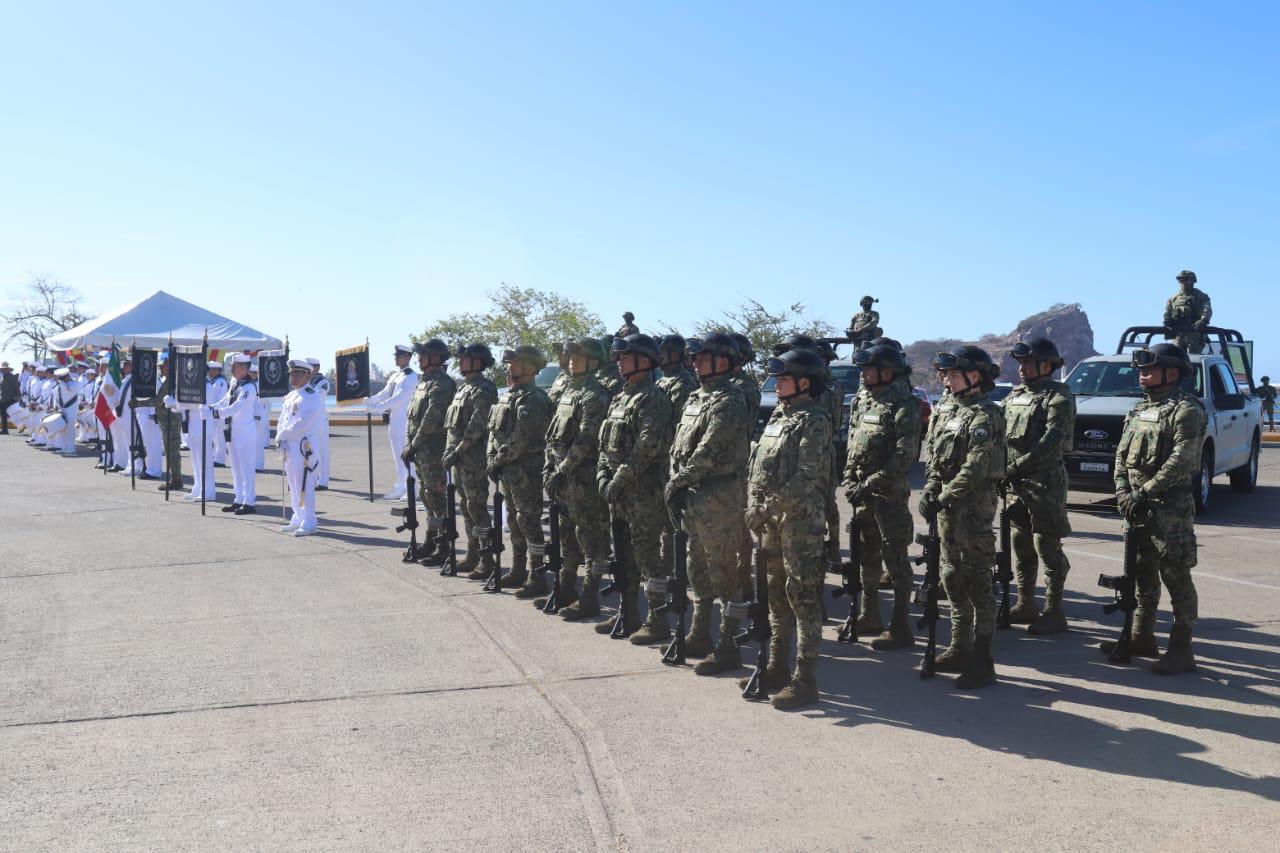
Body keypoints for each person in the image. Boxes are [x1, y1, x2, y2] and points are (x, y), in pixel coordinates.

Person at [745, 348, 834, 708]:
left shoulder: (815, 420)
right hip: (772, 524)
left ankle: (805, 678)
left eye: (783, 379)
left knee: (803, 599)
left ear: (804, 382)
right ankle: (776, 666)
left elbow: (807, 477)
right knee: (775, 598)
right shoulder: (779, 417)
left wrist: (765, 509)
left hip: (799, 524)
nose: (777, 385)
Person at [1112, 343, 1206, 674]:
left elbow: (1184, 459)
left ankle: (1182, 648)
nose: (1142, 374)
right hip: (1138, 508)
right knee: (1141, 573)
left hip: (1170, 508)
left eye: (1149, 369)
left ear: (1173, 372)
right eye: (1141, 369)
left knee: (1176, 575)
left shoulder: (1187, 410)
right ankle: (1141, 635)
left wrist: (1146, 491)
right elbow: (1122, 456)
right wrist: (1123, 490)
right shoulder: (1138, 411)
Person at [919, 345, 1006, 689]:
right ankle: (959, 646)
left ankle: (983, 658)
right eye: (946, 375)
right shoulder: (945, 410)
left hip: (972, 510)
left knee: (978, 582)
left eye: (954, 374)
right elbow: (935, 457)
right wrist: (930, 490)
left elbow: (976, 465)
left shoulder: (987, 415)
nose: (947, 380)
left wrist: (943, 495)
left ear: (975, 377)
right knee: (951, 578)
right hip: (946, 510)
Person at [665, 332, 752, 673]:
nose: (695, 361)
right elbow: (680, 445)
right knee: (696, 567)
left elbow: (709, 451)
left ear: (724, 361)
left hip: (717, 494)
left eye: (703, 356)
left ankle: (728, 643)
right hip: (692, 493)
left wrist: (677, 481)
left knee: (723, 570)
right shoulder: (695, 397)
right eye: (695, 356)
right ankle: (700, 633)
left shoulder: (729, 400)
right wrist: (678, 481)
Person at [844, 343, 921, 649]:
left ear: (887, 371)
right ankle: (869, 615)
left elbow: (905, 454)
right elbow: (853, 442)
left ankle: (900, 626)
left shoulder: (904, 404)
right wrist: (850, 476)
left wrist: (872, 481)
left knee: (895, 558)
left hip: (888, 495)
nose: (862, 375)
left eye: (868, 369)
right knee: (867, 555)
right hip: (862, 493)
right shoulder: (864, 400)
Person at [597, 334, 674, 640]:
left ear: (645, 361)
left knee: (647, 556)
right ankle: (627, 612)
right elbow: (605, 446)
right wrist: (603, 474)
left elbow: (647, 446)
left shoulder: (653, 398)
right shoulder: (620, 397)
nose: (619, 363)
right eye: (619, 358)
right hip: (618, 492)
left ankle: (657, 619)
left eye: (626, 358)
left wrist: (619, 478)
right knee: (624, 554)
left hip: (643, 491)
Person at [1004, 338, 1076, 634]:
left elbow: (1051, 443)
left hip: (1044, 483)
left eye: (1029, 363)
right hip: (1015, 484)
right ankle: (1025, 603)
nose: (1022, 369)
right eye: (1020, 363)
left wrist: (1014, 467)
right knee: (1021, 544)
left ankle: (1053, 609)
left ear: (1046, 365)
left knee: (1046, 545)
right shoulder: (1014, 396)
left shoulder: (1059, 397)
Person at [545, 336, 612, 619]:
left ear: (593, 362)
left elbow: (586, 439)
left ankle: (590, 596)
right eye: (571, 357)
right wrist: (551, 466)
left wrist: (562, 469)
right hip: (563, 476)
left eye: (578, 357)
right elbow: (553, 435)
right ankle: (565, 588)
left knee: (590, 538)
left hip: (581, 477)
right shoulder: (569, 392)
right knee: (567, 536)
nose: (571, 361)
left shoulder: (595, 394)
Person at [488, 345, 554, 595]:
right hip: (508, 470)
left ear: (529, 368)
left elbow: (521, 437)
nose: (509, 368)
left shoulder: (534, 399)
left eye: (514, 364)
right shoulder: (509, 396)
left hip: (526, 470)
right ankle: (517, 570)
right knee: (514, 521)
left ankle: (536, 575)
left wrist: (498, 460)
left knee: (529, 522)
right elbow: (494, 434)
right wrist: (492, 458)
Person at [442, 343, 499, 580]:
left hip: (472, 457)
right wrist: (450, 450)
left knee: (477, 507)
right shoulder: (463, 388)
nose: (461, 362)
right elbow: (452, 426)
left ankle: (487, 559)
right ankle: (473, 553)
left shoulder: (484, 389)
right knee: (466, 507)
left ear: (478, 362)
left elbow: (477, 425)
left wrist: (458, 449)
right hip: (458, 457)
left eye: (466, 359)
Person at [403, 339, 457, 565]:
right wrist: (411, 443)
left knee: (436, 497)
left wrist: (413, 444)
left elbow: (432, 418)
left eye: (424, 355)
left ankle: (443, 545)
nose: (419, 358)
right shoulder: (424, 382)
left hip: (433, 449)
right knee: (426, 495)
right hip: (421, 449)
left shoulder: (442, 384)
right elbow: (413, 417)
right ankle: (431, 539)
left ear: (435, 358)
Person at [276, 359, 325, 535]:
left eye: (297, 374)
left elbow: (302, 423)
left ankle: (309, 521)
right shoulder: (291, 396)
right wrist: (279, 435)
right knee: (293, 484)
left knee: (305, 485)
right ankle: (297, 517)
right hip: (290, 447)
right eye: (291, 374)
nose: (293, 377)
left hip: (305, 448)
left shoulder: (311, 395)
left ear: (306, 375)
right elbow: (283, 418)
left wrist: (283, 434)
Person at [364, 344, 419, 500]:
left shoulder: (411, 376)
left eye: (399, 356)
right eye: (396, 356)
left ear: (408, 357)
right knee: (397, 455)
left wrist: (377, 408)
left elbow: (399, 398)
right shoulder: (396, 375)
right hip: (394, 421)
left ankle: (412, 488)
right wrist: (371, 400)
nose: (396, 358)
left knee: (408, 457)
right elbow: (385, 393)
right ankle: (400, 486)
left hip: (405, 421)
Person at [209, 353, 259, 514]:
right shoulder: (235, 383)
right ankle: (238, 499)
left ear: (244, 369)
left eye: (234, 366)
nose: (231, 369)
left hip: (245, 433)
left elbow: (236, 408)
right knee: (236, 469)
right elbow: (225, 400)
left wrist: (216, 413)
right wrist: (211, 407)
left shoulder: (249, 388)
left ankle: (249, 502)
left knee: (247, 469)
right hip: (232, 432)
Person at [153, 352, 184, 491]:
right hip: (167, 421)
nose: (160, 369)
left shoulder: (172, 381)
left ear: (169, 367)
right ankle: (176, 479)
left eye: (162, 367)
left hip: (171, 421)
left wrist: (138, 403)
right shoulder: (169, 380)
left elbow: (158, 400)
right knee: (171, 451)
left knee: (172, 451)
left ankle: (176, 480)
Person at [1163, 270, 1212, 354]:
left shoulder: (1201, 296)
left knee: (1193, 359)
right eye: (1181, 281)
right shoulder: (1173, 299)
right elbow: (1167, 314)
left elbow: (1207, 309)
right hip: (1178, 334)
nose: (1183, 283)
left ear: (1193, 281)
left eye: (1186, 280)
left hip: (1194, 333)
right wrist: (1168, 321)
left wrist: (1202, 320)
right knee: (1176, 358)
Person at [306, 357, 331, 490]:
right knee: (311, 450)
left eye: (310, 367)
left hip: (320, 420)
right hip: (310, 421)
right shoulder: (307, 381)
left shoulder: (323, 382)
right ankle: (313, 477)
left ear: (316, 368)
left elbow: (316, 398)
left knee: (322, 451)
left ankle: (323, 481)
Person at [206, 361, 229, 466]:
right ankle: (216, 457)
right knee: (215, 437)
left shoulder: (221, 382)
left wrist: (217, 410)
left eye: (210, 370)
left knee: (220, 437)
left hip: (219, 414)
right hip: (213, 413)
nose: (209, 372)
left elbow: (222, 398)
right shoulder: (213, 381)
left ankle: (220, 459)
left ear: (216, 370)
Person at [1, 362, 20, 434]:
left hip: (10, 399)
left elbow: (17, 388)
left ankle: (6, 429)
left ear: (8, 369)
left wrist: (17, 397)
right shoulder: (2, 377)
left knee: (11, 413)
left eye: (5, 369)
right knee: (3, 414)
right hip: (3, 398)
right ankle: (4, 429)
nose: (3, 370)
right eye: (2, 369)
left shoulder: (13, 377)